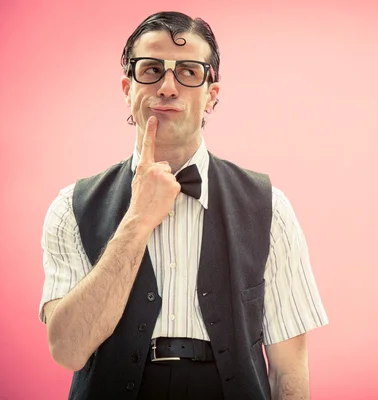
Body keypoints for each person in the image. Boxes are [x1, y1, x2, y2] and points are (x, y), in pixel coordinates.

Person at [38, 11, 328, 400]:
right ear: (127, 88)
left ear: (212, 94)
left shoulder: (270, 209)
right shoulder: (70, 208)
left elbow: (289, 370)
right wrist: (137, 220)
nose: (168, 87)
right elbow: (68, 350)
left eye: (189, 72)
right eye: (152, 69)